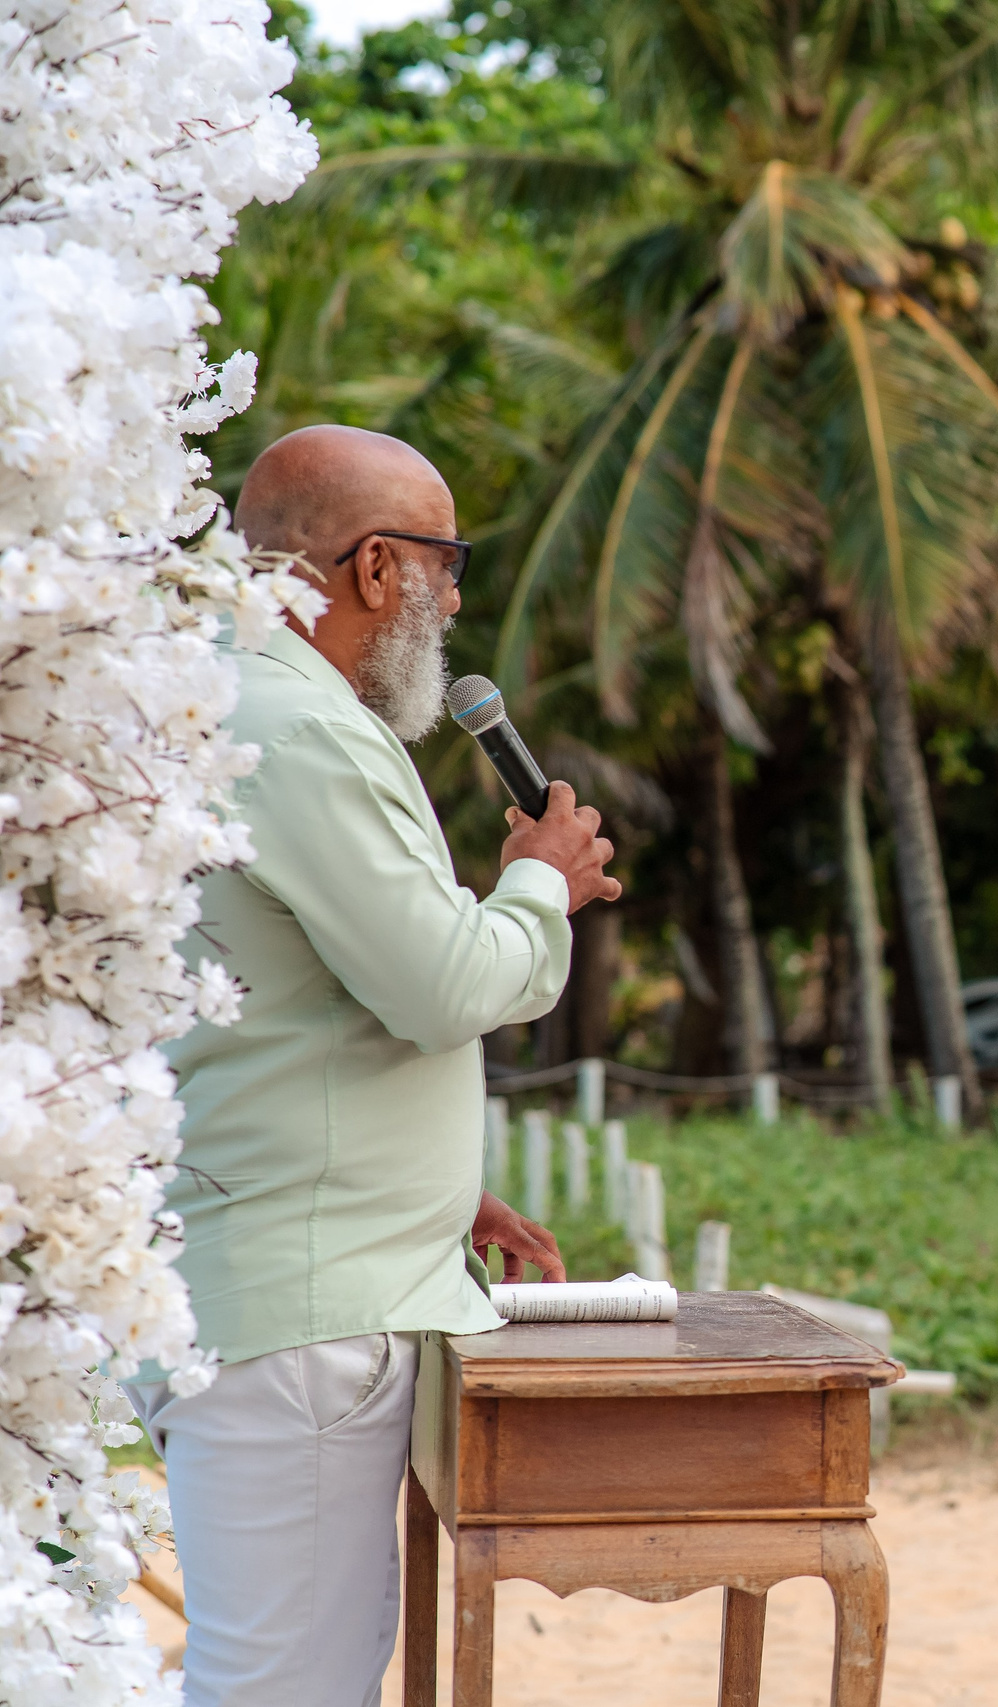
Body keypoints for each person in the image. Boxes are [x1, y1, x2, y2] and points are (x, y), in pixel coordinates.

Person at [121, 426, 621, 1706]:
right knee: (282, 1688)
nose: (455, 602)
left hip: (290, 1277)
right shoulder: (298, 727)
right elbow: (444, 984)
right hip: (301, 1316)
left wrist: (434, 1192)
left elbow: (280, 1025)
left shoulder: (227, 700)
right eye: (448, 567)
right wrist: (537, 883)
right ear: (378, 568)